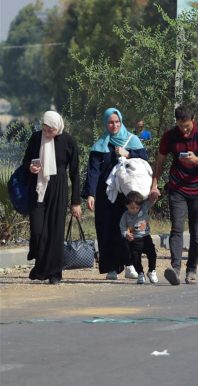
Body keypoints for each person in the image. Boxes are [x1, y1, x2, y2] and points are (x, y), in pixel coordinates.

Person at [149, 104, 198, 285]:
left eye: (186, 126)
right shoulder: (170, 135)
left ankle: (192, 269)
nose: (184, 131)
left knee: (196, 233)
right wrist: (154, 184)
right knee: (177, 228)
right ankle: (175, 268)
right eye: (180, 126)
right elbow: (160, 161)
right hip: (177, 187)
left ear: (193, 120)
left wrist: (196, 160)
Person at [83, 107, 148, 280]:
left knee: (127, 228)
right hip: (105, 195)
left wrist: (128, 153)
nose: (114, 125)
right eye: (110, 122)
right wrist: (91, 194)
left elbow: (144, 160)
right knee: (106, 229)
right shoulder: (100, 145)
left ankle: (130, 264)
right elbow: (93, 172)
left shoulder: (132, 140)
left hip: (127, 194)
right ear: (105, 123)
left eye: (117, 122)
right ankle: (111, 268)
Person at [23, 111, 81, 284]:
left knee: (55, 231)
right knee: (37, 231)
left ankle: (55, 273)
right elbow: (26, 161)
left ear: (58, 127)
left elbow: (75, 172)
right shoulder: (36, 138)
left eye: (51, 130)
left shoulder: (68, 141)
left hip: (59, 187)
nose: (47, 133)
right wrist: (30, 168)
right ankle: (41, 267)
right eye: (45, 128)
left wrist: (76, 202)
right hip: (38, 188)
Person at [119, 191, 158, 285]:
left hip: (146, 237)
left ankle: (152, 271)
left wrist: (155, 195)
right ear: (127, 205)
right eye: (132, 208)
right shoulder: (125, 216)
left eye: (137, 207)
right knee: (135, 258)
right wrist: (126, 234)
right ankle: (140, 273)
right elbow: (122, 228)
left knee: (152, 254)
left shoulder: (144, 208)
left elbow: (152, 201)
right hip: (134, 240)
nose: (135, 210)